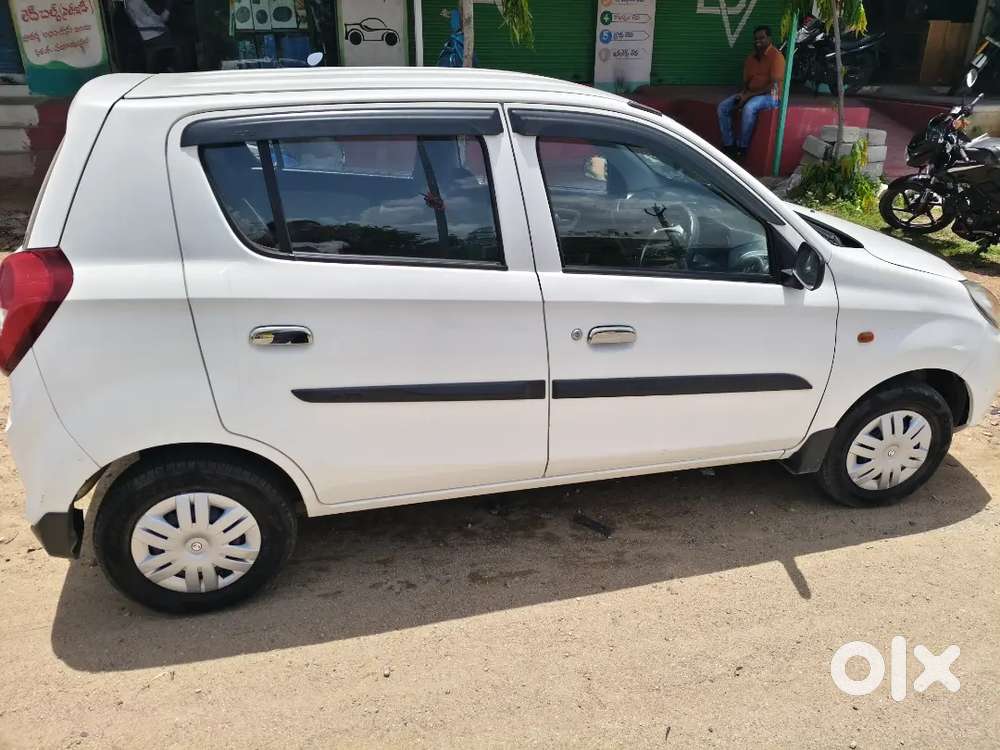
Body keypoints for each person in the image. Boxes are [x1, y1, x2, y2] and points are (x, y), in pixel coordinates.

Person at [717, 25, 786, 159]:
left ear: (769, 38)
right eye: (756, 39)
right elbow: (747, 82)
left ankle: (742, 147)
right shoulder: (751, 58)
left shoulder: (776, 57)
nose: (758, 41)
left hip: (771, 96)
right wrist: (742, 94)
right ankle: (729, 145)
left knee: (750, 107)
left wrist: (748, 96)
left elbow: (774, 85)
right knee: (723, 107)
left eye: (762, 38)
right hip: (751, 93)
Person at [124, 0, 176, 73]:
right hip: (152, 34)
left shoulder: (130, 2)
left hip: (149, 34)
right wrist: (160, 24)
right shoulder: (134, 2)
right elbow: (144, 19)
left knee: (152, 57)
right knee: (173, 47)